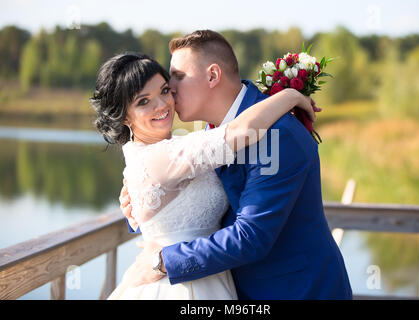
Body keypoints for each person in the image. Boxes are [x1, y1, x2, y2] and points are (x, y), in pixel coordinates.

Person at [118, 30, 353, 300]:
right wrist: (143, 199)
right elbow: (191, 204)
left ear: (212, 76)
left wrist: (163, 261)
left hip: (296, 291)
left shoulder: (277, 135)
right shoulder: (208, 132)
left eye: (178, 76)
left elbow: (251, 237)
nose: (170, 87)